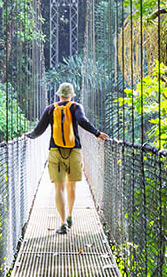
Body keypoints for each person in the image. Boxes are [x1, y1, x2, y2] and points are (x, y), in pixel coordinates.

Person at [25, 82, 108, 234]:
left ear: (58, 95)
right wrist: (97, 133)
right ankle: (70, 216)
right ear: (71, 95)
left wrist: (29, 136)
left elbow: (39, 129)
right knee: (72, 185)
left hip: (55, 151)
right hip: (74, 151)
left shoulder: (50, 109)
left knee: (59, 187)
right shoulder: (76, 107)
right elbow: (82, 121)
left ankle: (62, 223)